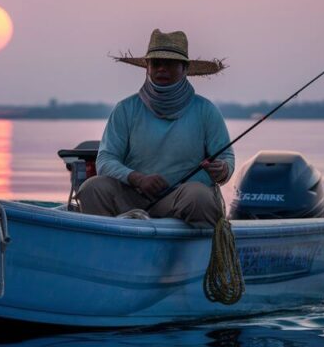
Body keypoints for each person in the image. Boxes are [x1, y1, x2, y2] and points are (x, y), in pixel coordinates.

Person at [77, 29, 234, 226]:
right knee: (92, 187)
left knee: (200, 197)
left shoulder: (206, 110)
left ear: (184, 68)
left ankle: (194, 253)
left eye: (169, 63)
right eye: (156, 63)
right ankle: (106, 247)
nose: (161, 69)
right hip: (132, 195)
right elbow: (105, 160)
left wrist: (223, 169)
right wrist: (137, 178)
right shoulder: (125, 109)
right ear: (147, 68)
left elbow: (226, 158)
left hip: (181, 199)